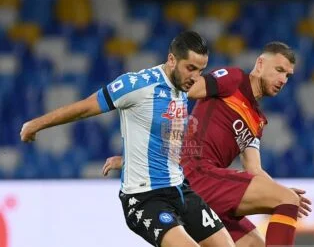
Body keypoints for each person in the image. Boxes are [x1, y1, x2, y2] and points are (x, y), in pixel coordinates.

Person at [20, 31, 235, 247]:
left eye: (201, 70)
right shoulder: (137, 85)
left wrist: (127, 160)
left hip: (179, 189)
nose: (196, 77)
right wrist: (35, 124)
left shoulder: (182, 88)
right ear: (172, 60)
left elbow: (163, 141)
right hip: (145, 198)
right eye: (191, 68)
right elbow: (84, 108)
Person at [103, 42, 312, 247]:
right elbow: (186, 91)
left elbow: (254, 169)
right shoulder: (234, 79)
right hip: (197, 173)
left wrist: (279, 191)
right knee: (285, 199)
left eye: (287, 75)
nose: (283, 79)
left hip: (212, 188)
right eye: (279, 70)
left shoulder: (258, 120)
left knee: (256, 243)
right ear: (259, 64)